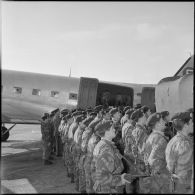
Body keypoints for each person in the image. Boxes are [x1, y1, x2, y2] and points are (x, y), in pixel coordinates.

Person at [92, 120, 131, 193]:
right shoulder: (106, 149)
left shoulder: (104, 144)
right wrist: (121, 179)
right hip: (109, 188)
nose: (114, 129)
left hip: (111, 186)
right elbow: (102, 177)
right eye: (112, 128)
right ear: (106, 132)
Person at [140, 112, 170, 193]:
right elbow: (155, 162)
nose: (164, 122)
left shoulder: (151, 136)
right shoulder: (159, 139)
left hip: (153, 176)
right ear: (157, 125)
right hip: (161, 179)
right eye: (161, 121)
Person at [165, 111, 193, 194]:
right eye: (191, 122)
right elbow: (190, 171)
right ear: (185, 126)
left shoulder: (172, 141)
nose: (193, 124)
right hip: (187, 186)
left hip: (176, 185)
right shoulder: (186, 145)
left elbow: (170, 167)